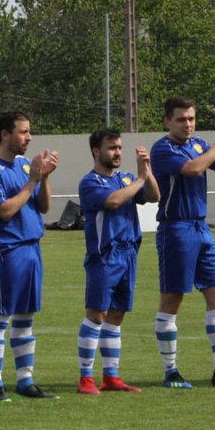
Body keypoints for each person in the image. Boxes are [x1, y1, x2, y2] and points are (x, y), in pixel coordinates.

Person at [150, 97, 215, 388]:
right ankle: (170, 371)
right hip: (176, 229)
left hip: (200, 228)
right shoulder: (163, 149)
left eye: (192, 119)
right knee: (173, 300)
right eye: (182, 119)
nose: (188, 124)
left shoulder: (199, 144)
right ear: (167, 122)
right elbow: (194, 169)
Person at [0, 110, 59, 401]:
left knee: (26, 317)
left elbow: (45, 208)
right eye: (23, 132)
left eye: (29, 131)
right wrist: (33, 181)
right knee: (1, 316)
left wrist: (43, 178)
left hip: (32, 248)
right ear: (5, 135)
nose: (29, 137)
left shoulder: (25, 166)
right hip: (7, 251)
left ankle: (26, 380)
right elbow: (6, 211)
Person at [76, 128, 160, 394]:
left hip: (129, 253)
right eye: (112, 148)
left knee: (117, 315)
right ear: (96, 151)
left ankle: (111, 377)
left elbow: (154, 196)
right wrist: (139, 180)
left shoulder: (125, 178)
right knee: (96, 314)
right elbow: (112, 202)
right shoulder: (90, 182)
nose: (117, 153)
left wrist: (146, 171)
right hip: (105, 256)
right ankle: (85, 379)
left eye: (120, 148)